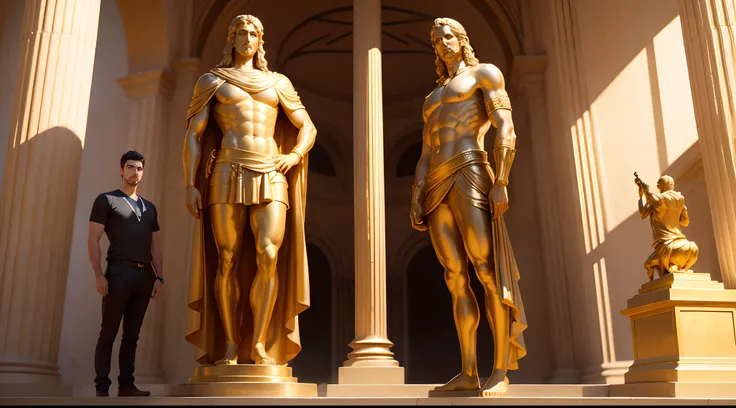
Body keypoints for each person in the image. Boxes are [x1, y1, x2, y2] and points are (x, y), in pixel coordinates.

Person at [182, 14, 316, 367]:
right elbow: (194, 136)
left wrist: (295, 154)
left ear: (260, 41)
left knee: (268, 256)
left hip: (271, 170)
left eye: (253, 32)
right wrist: (190, 184)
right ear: (232, 39)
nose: (247, 37)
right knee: (226, 260)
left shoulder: (277, 83)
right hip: (227, 169)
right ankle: (229, 344)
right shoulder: (213, 81)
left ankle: (257, 343)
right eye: (241, 32)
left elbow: (307, 127)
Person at [410, 18, 527, 397]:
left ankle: (499, 370)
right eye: (436, 39)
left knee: (485, 269)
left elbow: (505, 126)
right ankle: (467, 370)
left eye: (448, 36)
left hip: (471, 169)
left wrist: (502, 181)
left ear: (462, 39)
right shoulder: (430, 99)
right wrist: (416, 193)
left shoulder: (484, 74)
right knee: (454, 277)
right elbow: (427, 151)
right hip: (436, 183)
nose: (443, 43)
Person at [88, 150, 164, 397]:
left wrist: (159, 277)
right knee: (108, 331)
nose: (135, 172)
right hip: (118, 272)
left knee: (132, 334)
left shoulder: (149, 207)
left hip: (145, 277)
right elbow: (93, 239)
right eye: (130, 167)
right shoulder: (106, 200)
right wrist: (99, 275)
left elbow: (155, 245)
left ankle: (127, 385)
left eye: (139, 168)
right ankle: (102, 388)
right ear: (121, 170)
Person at [636, 174, 699, 280]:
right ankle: (682, 269)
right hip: (688, 247)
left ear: (661, 186)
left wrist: (641, 196)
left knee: (648, 264)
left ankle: (652, 284)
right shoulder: (680, 200)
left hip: (668, 245)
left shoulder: (657, 200)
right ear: (672, 185)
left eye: (658, 184)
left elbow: (643, 214)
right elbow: (685, 222)